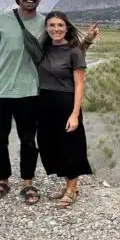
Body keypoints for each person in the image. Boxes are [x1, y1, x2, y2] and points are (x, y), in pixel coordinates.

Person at [0, 0, 97, 205]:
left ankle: (28, 183)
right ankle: (2, 180)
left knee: (28, 142)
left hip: (30, 94)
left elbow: (66, 50)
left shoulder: (45, 23)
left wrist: (88, 42)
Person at [37, 11, 97, 208]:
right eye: (52, 25)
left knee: (70, 146)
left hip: (66, 104)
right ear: (46, 28)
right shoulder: (43, 49)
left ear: (67, 27)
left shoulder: (74, 51)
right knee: (51, 146)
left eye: (60, 25)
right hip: (44, 105)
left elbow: (79, 84)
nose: (56, 29)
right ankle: (67, 185)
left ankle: (72, 188)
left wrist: (74, 114)